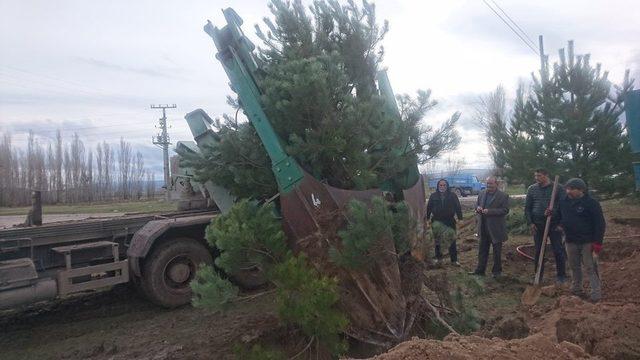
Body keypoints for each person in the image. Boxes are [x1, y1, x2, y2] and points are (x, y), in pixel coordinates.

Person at [558, 178, 605, 302]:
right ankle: (576, 289)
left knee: (590, 267)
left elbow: (600, 224)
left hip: (587, 241)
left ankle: (596, 293)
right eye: (567, 188)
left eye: (572, 189)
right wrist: (551, 215)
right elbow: (559, 217)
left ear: (581, 190)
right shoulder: (563, 202)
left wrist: (598, 242)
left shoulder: (591, 203)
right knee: (574, 267)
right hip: (570, 240)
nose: (568, 191)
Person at [525, 168, 567, 283]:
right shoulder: (532, 189)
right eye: (535, 176)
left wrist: (561, 223)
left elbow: (565, 207)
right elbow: (527, 208)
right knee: (538, 250)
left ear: (546, 175)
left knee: (558, 250)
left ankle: (561, 275)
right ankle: (538, 275)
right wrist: (530, 223)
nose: (537, 178)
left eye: (539, 176)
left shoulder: (558, 188)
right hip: (538, 225)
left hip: (554, 225)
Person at [469, 177, 509, 278]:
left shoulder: (503, 196)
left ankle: (497, 272)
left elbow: (505, 210)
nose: (489, 186)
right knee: (482, 250)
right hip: (483, 227)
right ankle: (480, 270)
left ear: (496, 184)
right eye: (487, 184)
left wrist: (490, 211)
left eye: (491, 184)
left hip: (496, 229)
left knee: (496, 252)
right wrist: (477, 208)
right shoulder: (482, 193)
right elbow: (477, 205)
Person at [426, 178, 463, 266]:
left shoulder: (452, 195)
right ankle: (439, 260)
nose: (442, 187)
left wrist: (460, 219)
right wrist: (427, 219)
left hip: (449, 221)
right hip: (437, 221)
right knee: (438, 241)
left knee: (452, 241)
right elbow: (429, 208)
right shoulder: (433, 196)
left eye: (444, 185)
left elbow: (458, 207)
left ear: (447, 186)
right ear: (438, 186)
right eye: (440, 185)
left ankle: (454, 260)